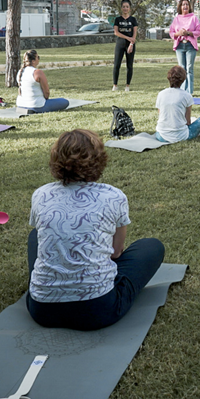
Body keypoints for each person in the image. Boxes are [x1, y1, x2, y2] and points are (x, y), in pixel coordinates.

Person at [27, 129, 165, 331]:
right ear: (99, 160)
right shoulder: (113, 196)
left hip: (41, 310)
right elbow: (116, 253)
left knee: (35, 237)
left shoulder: (41, 194)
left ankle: (51, 283)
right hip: (97, 310)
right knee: (152, 246)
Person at [154, 65, 200, 143]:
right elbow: (188, 122)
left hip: (161, 136)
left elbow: (161, 113)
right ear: (183, 79)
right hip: (181, 136)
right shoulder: (187, 96)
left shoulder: (161, 94)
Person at [169, 0, 200, 94]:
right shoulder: (176, 19)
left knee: (189, 68)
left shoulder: (193, 18)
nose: (185, 6)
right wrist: (179, 33)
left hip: (190, 45)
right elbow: (171, 32)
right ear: (180, 7)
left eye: (187, 4)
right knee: (181, 68)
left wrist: (189, 33)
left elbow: (198, 32)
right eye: (183, 4)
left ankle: (189, 91)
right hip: (180, 46)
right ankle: (182, 90)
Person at [112, 0, 138, 92]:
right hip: (120, 43)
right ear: (121, 8)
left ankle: (127, 85)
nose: (125, 8)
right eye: (124, 7)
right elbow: (116, 32)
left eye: (127, 7)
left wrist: (131, 43)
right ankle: (115, 85)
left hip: (130, 45)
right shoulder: (118, 19)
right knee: (116, 64)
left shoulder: (133, 20)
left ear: (130, 8)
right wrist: (127, 38)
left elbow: (134, 34)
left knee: (129, 65)